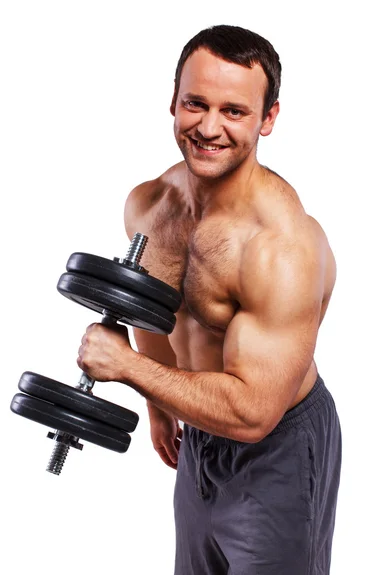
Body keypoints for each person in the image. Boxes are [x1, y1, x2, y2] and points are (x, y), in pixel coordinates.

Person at [77, 24, 342, 575]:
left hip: (276, 442)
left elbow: (251, 414)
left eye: (235, 111)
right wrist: (157, 405)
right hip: (200, 428)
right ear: (173, 100)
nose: (209, 127)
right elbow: (152, 305)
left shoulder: (281, 248)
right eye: (195, 104)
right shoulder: (149, 206)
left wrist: (127, 369)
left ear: (268, 119)